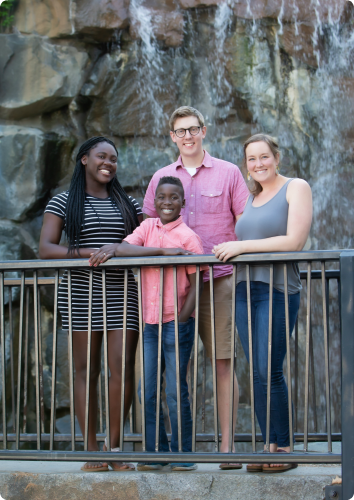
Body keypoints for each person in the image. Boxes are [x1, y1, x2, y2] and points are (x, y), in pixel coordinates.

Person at [142, 106, 249, 466]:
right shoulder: (160, 177)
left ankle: (227, 448)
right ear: (172, 136)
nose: (187, 136)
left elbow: (245, 223)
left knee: (222, 361)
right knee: (175, 371)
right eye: (180, 131)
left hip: (216, 280)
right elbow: (148, 228)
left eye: (193, 129)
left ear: (204, 131)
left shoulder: (229, 172)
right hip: (171, 289)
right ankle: (170, 451)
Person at [39, 136, 143, 472]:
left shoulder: (129, 204)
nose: (109, 163)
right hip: (81, 294)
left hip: (122, 295)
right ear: (84, 159)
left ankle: (115, 447)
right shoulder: (64, 201)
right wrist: (95, 253)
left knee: (121, 370)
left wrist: (119, 249)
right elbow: (46, 249)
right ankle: (92, 449)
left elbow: (148, 240)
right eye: (102, 156)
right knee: (86, 371)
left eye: (113, 159)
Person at [213, 133, 312, 473]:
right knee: (256, 371)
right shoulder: (252, 198)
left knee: (270, 368)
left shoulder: (296, 187)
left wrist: (239, 247)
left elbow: (294, 242)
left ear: (277, 157)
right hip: (244, 289)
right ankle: (268, 444)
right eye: (252, 159)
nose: (258, 164)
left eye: (264, 156)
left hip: (278, 288)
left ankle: (283, 447)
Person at [110, 176, 206, 471]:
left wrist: (183, 318)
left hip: (175, 323)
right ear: (154, 201)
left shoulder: (189, 237)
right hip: (150, 324)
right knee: (146, 390)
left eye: (173, 197)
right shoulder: (147, 227)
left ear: (183, 203)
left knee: (176, 391)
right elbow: (122, 249)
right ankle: (156, 451)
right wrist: (163, 252)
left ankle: (183, 454)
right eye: (161, 197)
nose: (167, 202)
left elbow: (197, 284)